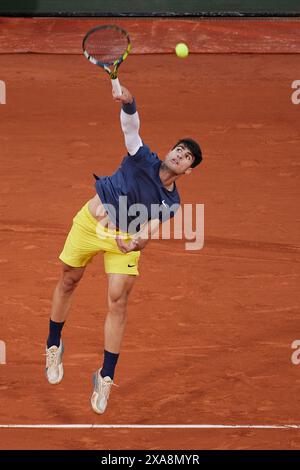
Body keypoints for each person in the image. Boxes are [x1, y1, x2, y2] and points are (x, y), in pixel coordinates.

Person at [45, 85, 202, 415]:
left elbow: (146, 232)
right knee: (69, 281)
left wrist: (133, 242)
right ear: (169, 151)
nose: (179, 154)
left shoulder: (171, 202)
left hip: (123, 239)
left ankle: (104, 376)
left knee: (118, 298)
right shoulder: (140, 155)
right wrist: (129, 101)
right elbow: (131, 126)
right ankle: (53, 343)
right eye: (178, 148)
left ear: (188, 170)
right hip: (91, 223)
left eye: (186, 156)